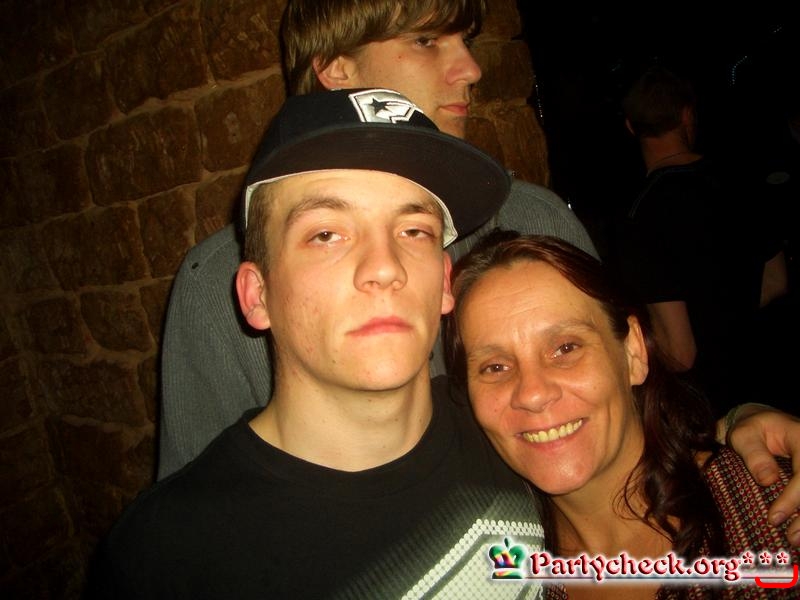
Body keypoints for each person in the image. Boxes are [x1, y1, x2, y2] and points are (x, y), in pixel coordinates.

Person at [84, 89, 546, 599]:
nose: (384, 267)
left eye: (414, 230)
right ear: (257, 296)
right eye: (326, 234)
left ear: (442, 281)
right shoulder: (164, 557)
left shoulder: (519, 432)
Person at [157, 0, 599, 479]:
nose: (471, 69)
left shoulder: (535, 220)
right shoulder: (216, 285)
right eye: (426, 41)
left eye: (416, 232)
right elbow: (203, 506)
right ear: (337, 68)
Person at [444, 230, 800, 598]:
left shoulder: (772, 512)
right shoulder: (493, 567)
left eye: (565, 348)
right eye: (495, 367)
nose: (532, 394)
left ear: (633, 352)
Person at [609, 65, 789, 419]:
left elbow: (679, 353)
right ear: (687, 115)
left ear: (630, 126)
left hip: (708, 410)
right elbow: (777, 281)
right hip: (769, 382)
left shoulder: (641, 216)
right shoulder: (742, 183)